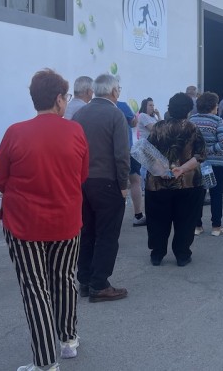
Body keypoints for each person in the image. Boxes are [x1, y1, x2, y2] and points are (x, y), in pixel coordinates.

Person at [0, 69, 88, 371]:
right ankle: (68, 338)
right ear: (59, 99)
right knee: (64, 279)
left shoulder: (15, 132)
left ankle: (46, 362)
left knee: (35, 288)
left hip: (24, 225)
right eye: (67, 97)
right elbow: (81, 175)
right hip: (66, 220)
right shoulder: (75, 131)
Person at [73, 74, 130, 302]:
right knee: (107, 234)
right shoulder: (115, 115)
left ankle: (85, 280)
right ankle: (99, 284)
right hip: (107, 181)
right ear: (114, 91)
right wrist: (123, 184)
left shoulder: (79, 114)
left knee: (86, 232)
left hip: (82, 181)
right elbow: (121, 155)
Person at [145, 93, 207, 266]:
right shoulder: (192, 128)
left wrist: (161, 170)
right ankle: (182, 254)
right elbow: (200, 155)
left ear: (169, 108)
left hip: (158, 183)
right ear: (188, 109)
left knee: (157, 220)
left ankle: (157, 254)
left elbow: (146, 152)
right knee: (186, 220)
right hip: (188, 182)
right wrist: (181, 169)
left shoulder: (158, 127)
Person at [189, 92, 223, 236]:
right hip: (216, 163)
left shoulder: (192, 120)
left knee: (198, 194)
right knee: (216, 194)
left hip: (196, 164)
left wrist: (200, 153)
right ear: (213, 106)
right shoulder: (217, 120)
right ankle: (216, 226)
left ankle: (197, 225)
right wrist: (210, 150)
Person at [116, 98, 146, 227]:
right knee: (135, 180)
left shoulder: (92, 107)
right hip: (126, 149)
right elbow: (133, 123)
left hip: (105, 153)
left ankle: (113, 216)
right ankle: (138, 215)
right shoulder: (122, 105)